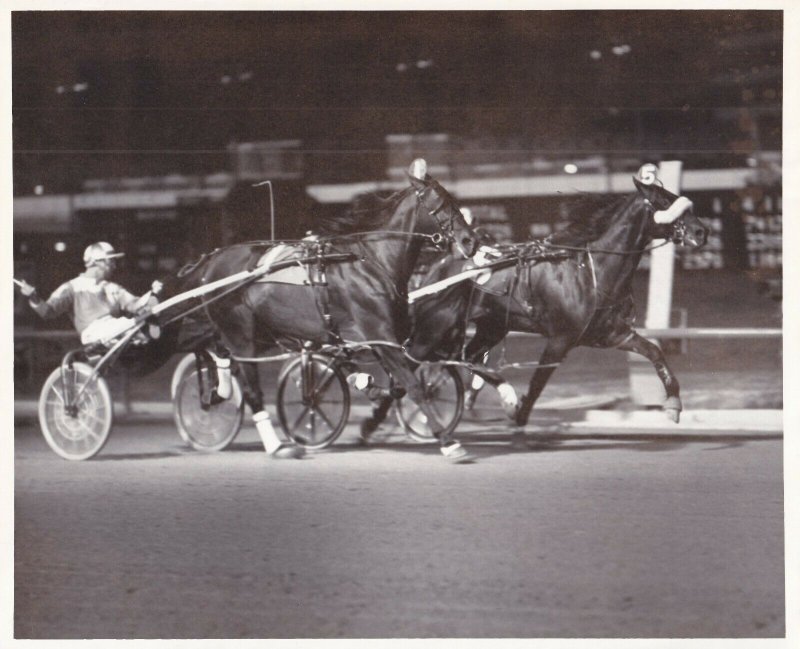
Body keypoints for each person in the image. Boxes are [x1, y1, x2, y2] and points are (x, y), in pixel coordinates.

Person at [16, 241, 162, 347]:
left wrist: (153, 293)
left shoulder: (112, 288)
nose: (114, 266)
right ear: (98, 263)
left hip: (114, 328)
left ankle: (141, 330)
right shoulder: (72, 287)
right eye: (111, 261)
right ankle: (140, 331)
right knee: (127, 324)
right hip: (93, 333)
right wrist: (33, 297)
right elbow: (48, 311)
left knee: (131, 322)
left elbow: (134, 304)